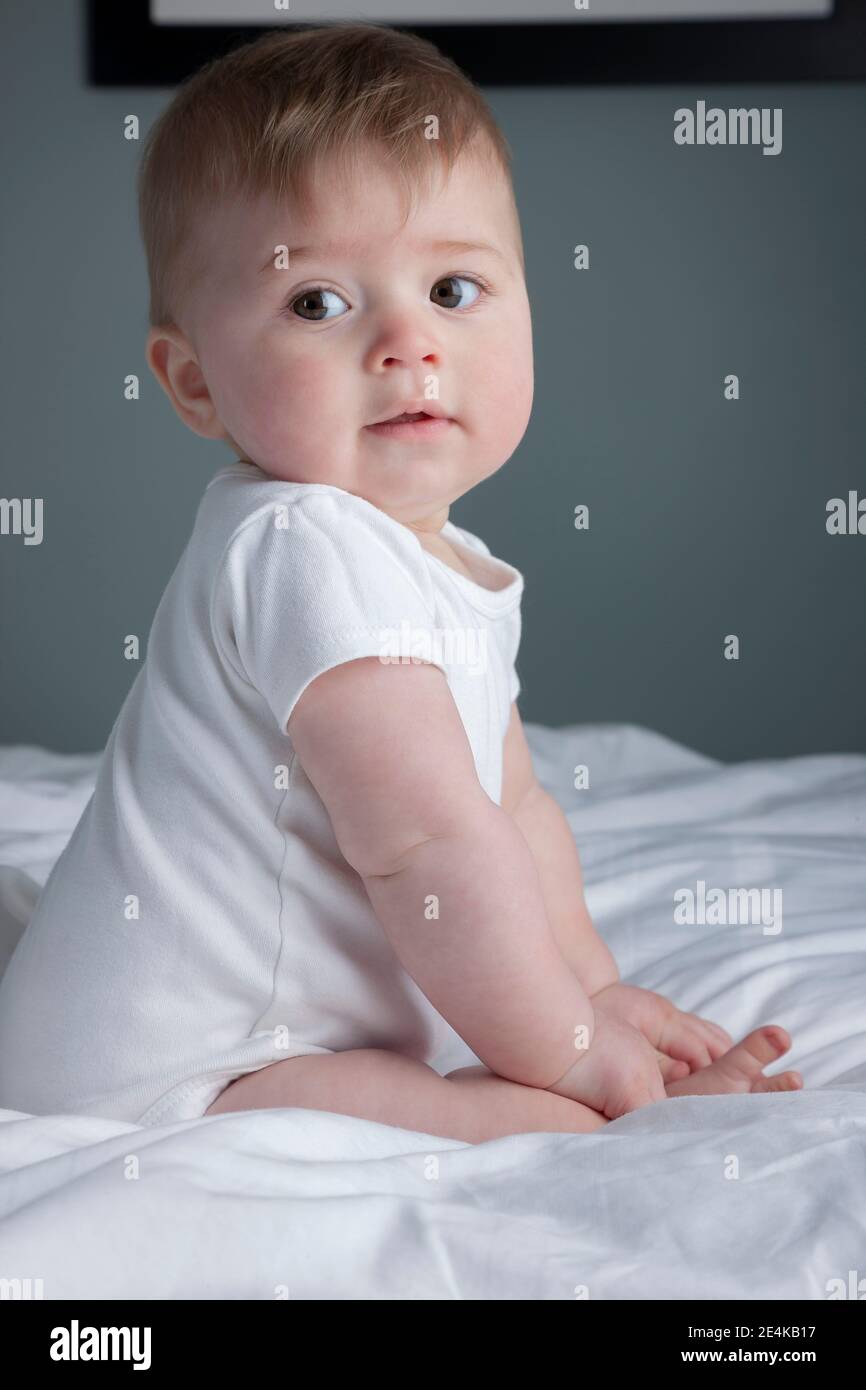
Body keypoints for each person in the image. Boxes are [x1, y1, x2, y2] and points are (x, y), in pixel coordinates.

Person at [0, 23, 802, 1142]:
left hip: (249, 1029)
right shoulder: (301, 547)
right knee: (506, 1121)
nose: (406, 343)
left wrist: (591, 992)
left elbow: (507, 812)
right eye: (318, 302)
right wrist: (573, 1061)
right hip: (168, 1064)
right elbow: (426, 841)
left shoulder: (429, 558)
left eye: (454, 288)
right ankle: (621, 1112)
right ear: (193, 382)